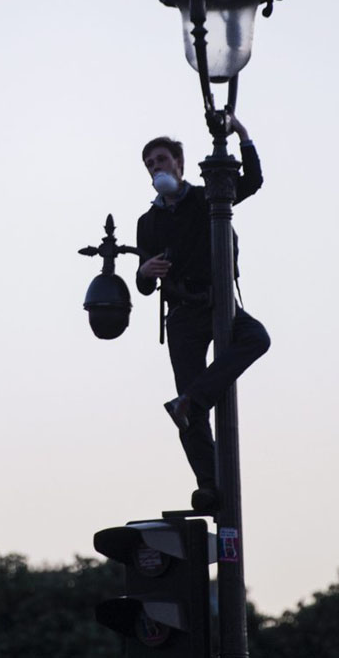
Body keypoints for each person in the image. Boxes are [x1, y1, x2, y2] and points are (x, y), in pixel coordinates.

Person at [136, 115, 270, 512]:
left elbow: (252, 182)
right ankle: (209, 485)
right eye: (150, 164)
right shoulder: (149, 221)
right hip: (181, 314)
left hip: (219, 301)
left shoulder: (208, 196)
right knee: (190, 412)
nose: (156, 168)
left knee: (256, 338)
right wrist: (143, 273)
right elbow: (144, 282)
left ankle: (193, 401)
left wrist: (243, 135)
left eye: (161, 160)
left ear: (179, 162)